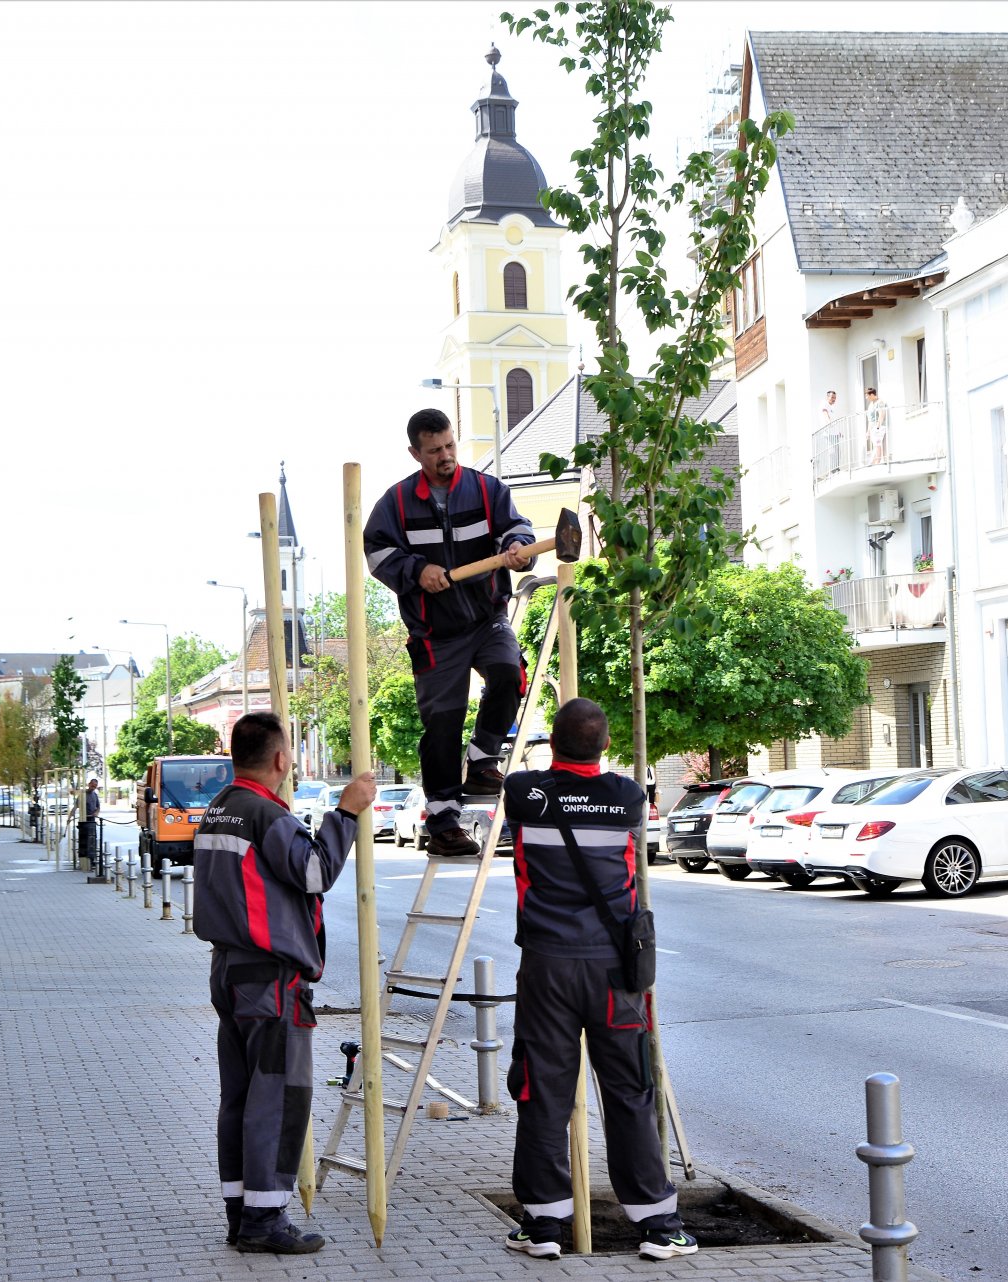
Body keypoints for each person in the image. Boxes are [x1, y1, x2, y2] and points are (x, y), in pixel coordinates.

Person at [500, 699, 696, 1262]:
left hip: (546, 968)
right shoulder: (630, 798)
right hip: (615, 972)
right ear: (606, 746)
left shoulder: (524, 793)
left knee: (542, 1092)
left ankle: (542, 1227)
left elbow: (520, 781)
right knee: (630, 1092)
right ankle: (658, 1225)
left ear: (553, 745)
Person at [193, 712, 375, 1254]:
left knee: (242, 1098)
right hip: (269, 982)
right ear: (280, 759)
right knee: (277, 1098)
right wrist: (344, 812)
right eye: (291, 751)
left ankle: (240, 1212)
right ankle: (264, 1222)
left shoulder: (218, 808)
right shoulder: (265, 814)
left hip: (229, 972)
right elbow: (315, 873)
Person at [363, 407, 536, 858]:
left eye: (450, 446)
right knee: (442, 723)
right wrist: (417, 571)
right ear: (415, 452)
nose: (446, 456)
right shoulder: (396, 504)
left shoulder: (485, 489)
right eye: (435, 450)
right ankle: (443, 823)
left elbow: (516, 528)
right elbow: (377, 552)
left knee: (507, 673)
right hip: (433, 632)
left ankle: (482, 761)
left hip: (487, 617)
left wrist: (516, 548)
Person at [864, 387, 888, 465]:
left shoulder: (879, 402)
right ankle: (874, 462)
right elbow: (870, 420)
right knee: (875, 445)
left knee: (877, 445)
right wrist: (868, 432)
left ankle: (877, 462)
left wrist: (878, 427)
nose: (866, 398)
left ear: (872, 395)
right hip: (872, 428)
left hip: (878, 427)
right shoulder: (871, 404)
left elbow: (882, 415)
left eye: (867, 396)